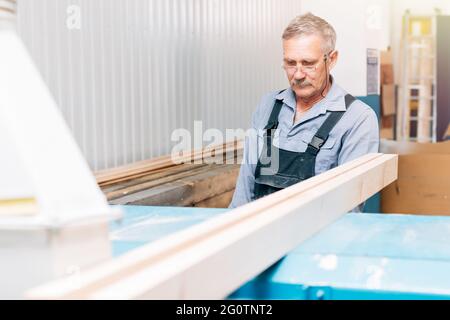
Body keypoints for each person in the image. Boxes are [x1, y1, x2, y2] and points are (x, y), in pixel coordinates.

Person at [229, 13, 379, 209]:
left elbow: (347, 207)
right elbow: (245, 191)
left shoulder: (357, 119)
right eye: (290, 63)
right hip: (260, 234)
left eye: (308, 64)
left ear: (331, 59)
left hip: (320, 236)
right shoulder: (267, 106)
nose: (298, 75)